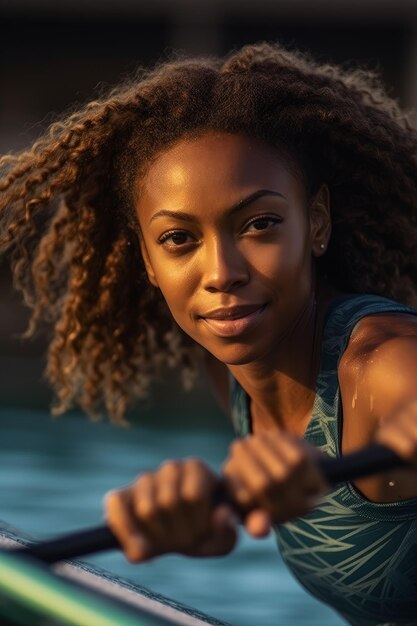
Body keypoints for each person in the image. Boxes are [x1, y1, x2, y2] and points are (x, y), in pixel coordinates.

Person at [2, 41, 417, 625]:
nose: (222, 274)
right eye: (179, 239)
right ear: (147, 260)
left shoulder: (385, 367)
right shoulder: (231, 376)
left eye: (260, 224)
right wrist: (206, 524)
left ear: (316, 222)